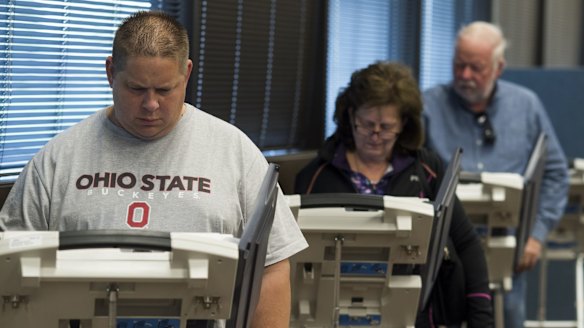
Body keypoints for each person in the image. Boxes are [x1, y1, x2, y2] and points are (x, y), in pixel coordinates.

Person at [0, 11, 308, 327]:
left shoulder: (235, 152)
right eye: (136, 89)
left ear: (186, 74)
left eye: (164, 90)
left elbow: (271, 266)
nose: (150, 105)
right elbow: (10, 269)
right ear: (110, 72)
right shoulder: (58, 158)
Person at [295, 61, 494, 327]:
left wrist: (482, 319)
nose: (375, 136)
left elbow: (467, 244)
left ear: (403, 125)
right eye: (367, 124)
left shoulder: (428, 170)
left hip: (416, 316)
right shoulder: (315, 177)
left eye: (386, 127)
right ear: (350, 116)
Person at [423, 21, 569, 328]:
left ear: (499, 67)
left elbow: (555, 173)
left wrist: (536, 236)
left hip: (507, 250)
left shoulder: (525, 106)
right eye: (458, 65)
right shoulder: (429, 107)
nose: (464, 76)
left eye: (475, 68)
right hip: (445, 256)